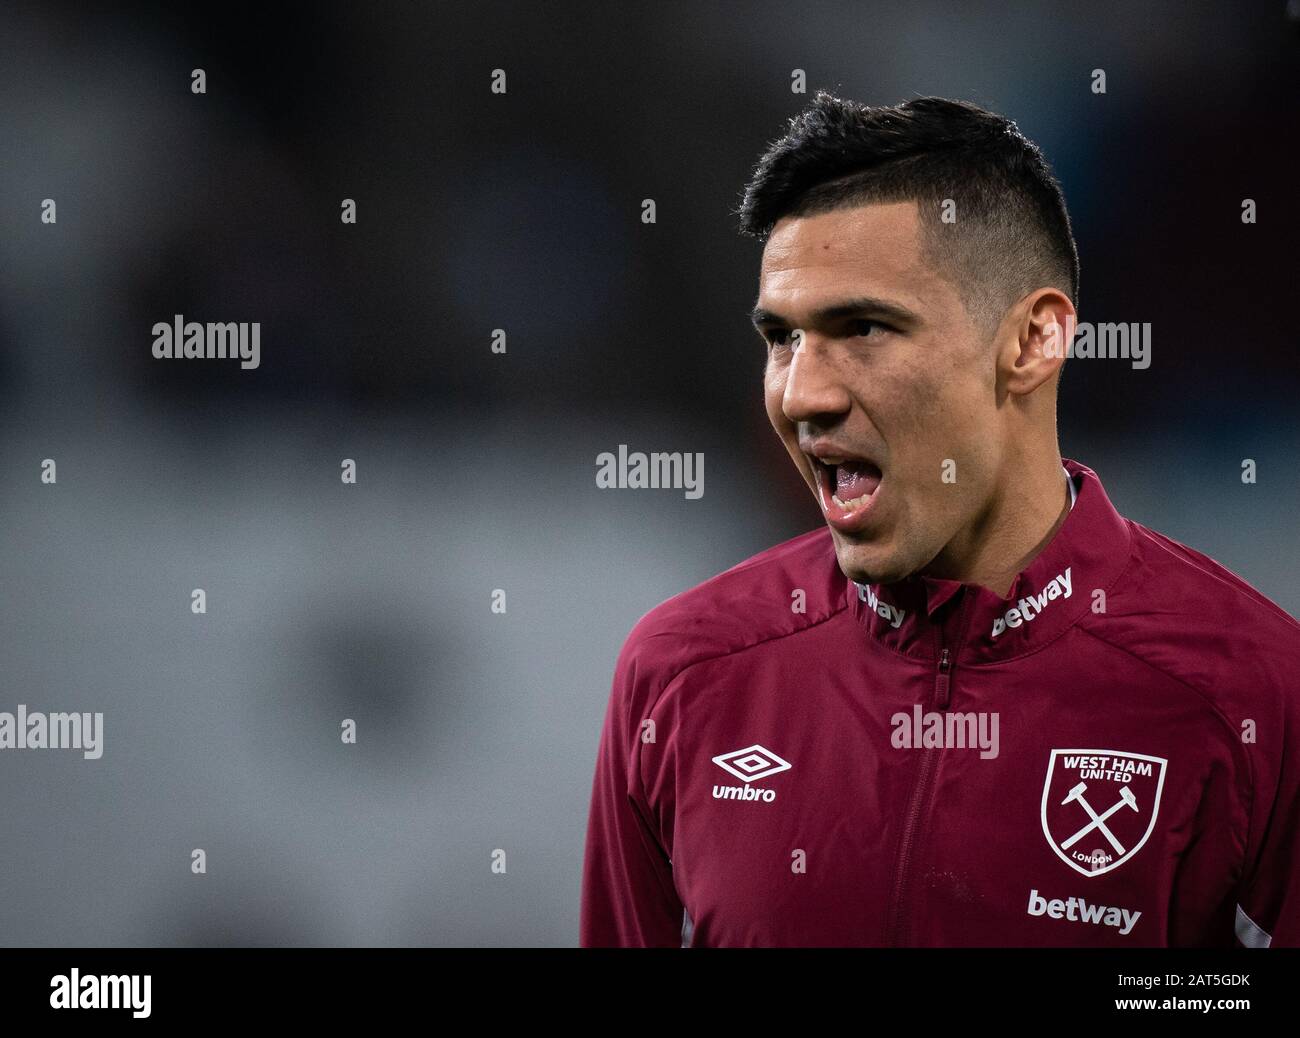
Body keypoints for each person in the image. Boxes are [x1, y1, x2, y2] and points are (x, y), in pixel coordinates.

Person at [580, 93, 1300, 947]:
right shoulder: (678, 676)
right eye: (783, 338)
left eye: (866, 328)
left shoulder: (1255, 697)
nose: (803, 394)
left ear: (1034, 341)